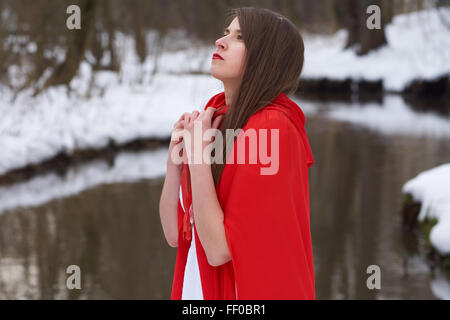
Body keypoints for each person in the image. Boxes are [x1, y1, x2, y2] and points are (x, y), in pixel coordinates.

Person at [159, 7, 315, 300]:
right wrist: (174, 165)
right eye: (226, 32)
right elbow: (174, 233)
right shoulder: (216, 116)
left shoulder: (272, 128)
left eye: (240, 37)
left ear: (267, 57)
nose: (221, 41)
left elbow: (219, 250)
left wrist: (198, 158)